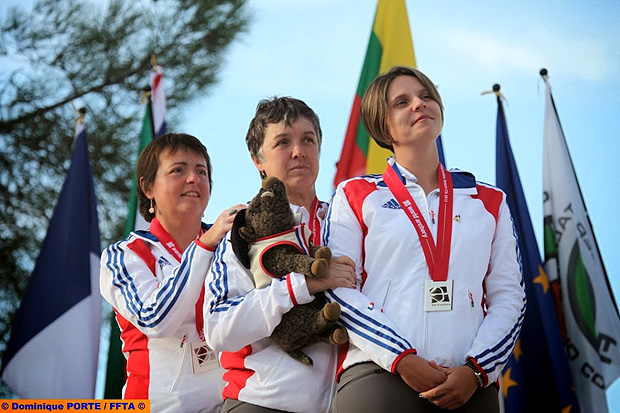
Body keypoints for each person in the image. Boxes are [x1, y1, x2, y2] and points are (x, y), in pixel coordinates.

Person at [323, 66, 526, 412]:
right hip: (379, 376)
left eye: (426, 96)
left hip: (468, 385)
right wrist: (400, 357)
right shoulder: (355, 194)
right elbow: (339, 288)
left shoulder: (489, 201)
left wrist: (477, 369)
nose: (419, 104)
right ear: (381, 124)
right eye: (402, 102)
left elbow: (510, 295)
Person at [203, 97, 357, 413]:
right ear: (257, 160)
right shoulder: (243, 229)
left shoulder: (350, 222)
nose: (299, 151)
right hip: (264, 402)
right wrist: (302, 285)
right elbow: (218, 328)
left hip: (351, 400)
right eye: (283, 142)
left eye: (308, 140)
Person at [100, 133, 246, 412]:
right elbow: (155, 320)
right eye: (178, 170)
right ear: (148, 188)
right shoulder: (125, 255)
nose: (194, 178)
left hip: (234, 402)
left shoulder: (231, 246)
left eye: (201, 171)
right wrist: (204, 246)